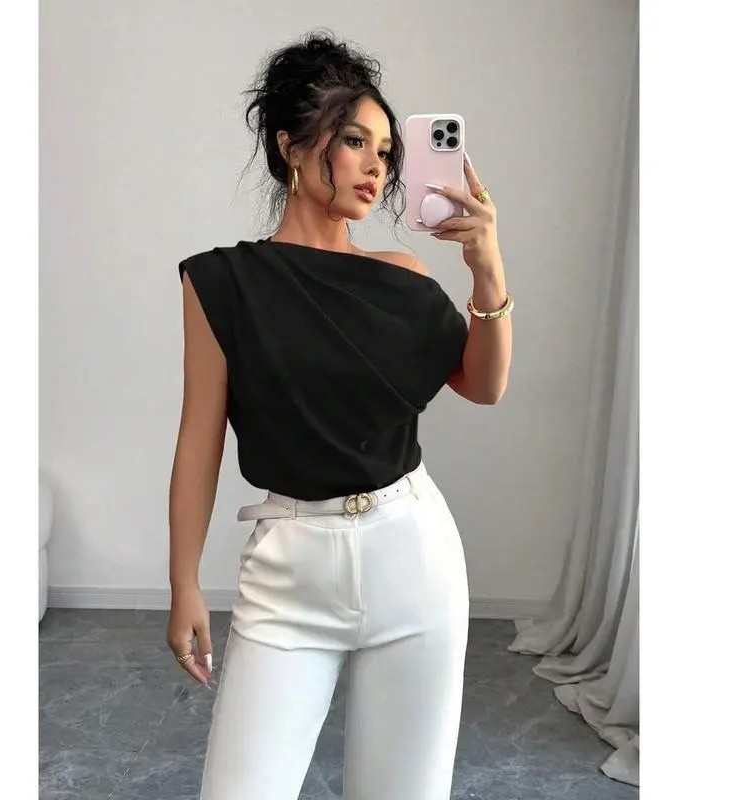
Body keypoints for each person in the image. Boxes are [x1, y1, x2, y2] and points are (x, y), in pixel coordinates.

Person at [166, 31, 513, 800]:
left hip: (412, 558)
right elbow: (199, 438)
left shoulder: (402, 279)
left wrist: (487, 269)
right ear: (291, 146)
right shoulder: (222, 283)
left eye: (386, 151)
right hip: (289, 568)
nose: (376, 166)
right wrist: (183, 581)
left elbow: (484, 385)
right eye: (355, 141)